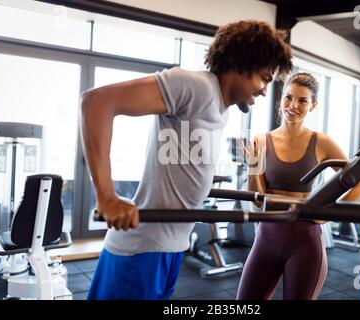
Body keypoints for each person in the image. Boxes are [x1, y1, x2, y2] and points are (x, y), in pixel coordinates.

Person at [80, 20, 294, 300]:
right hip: (142, 250)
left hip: (169, 249)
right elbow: (96, 102)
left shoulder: (220, 109)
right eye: (264, 79)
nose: (265, 90)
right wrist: (107, 197)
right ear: (242, 63)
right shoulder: (194, 86)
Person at [237, 72, 360, 300]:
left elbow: (359, 185)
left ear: (313, 105)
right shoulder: (261, 140)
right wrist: (253, 168)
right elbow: (257, 202)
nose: (293, 105)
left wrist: (327, 215)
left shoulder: (322, 143)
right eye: (288, 97)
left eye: (302, 100)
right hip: (266, 237)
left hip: (305, 242)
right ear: (281, 100)